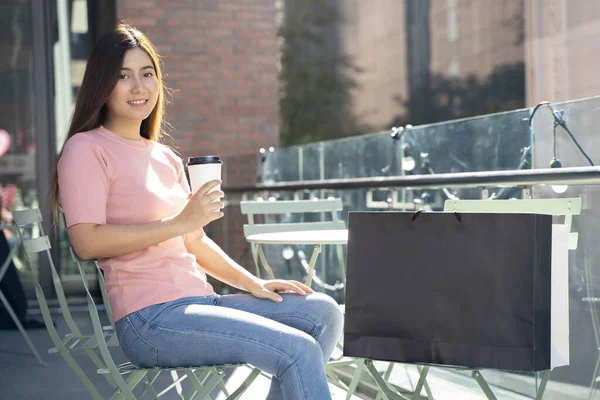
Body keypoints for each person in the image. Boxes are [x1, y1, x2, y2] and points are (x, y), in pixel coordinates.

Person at [49, 23, 343, 400]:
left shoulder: (165, 157)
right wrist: (178, 222)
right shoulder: (86, 149)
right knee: (296, 348)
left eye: (147, 74)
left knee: (323, 312)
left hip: (201, 302)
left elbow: (194, 241)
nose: (139, 87)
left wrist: (253, 283)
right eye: (123, 76)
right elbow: (86, 242)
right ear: (102, 85)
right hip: (149, 320)